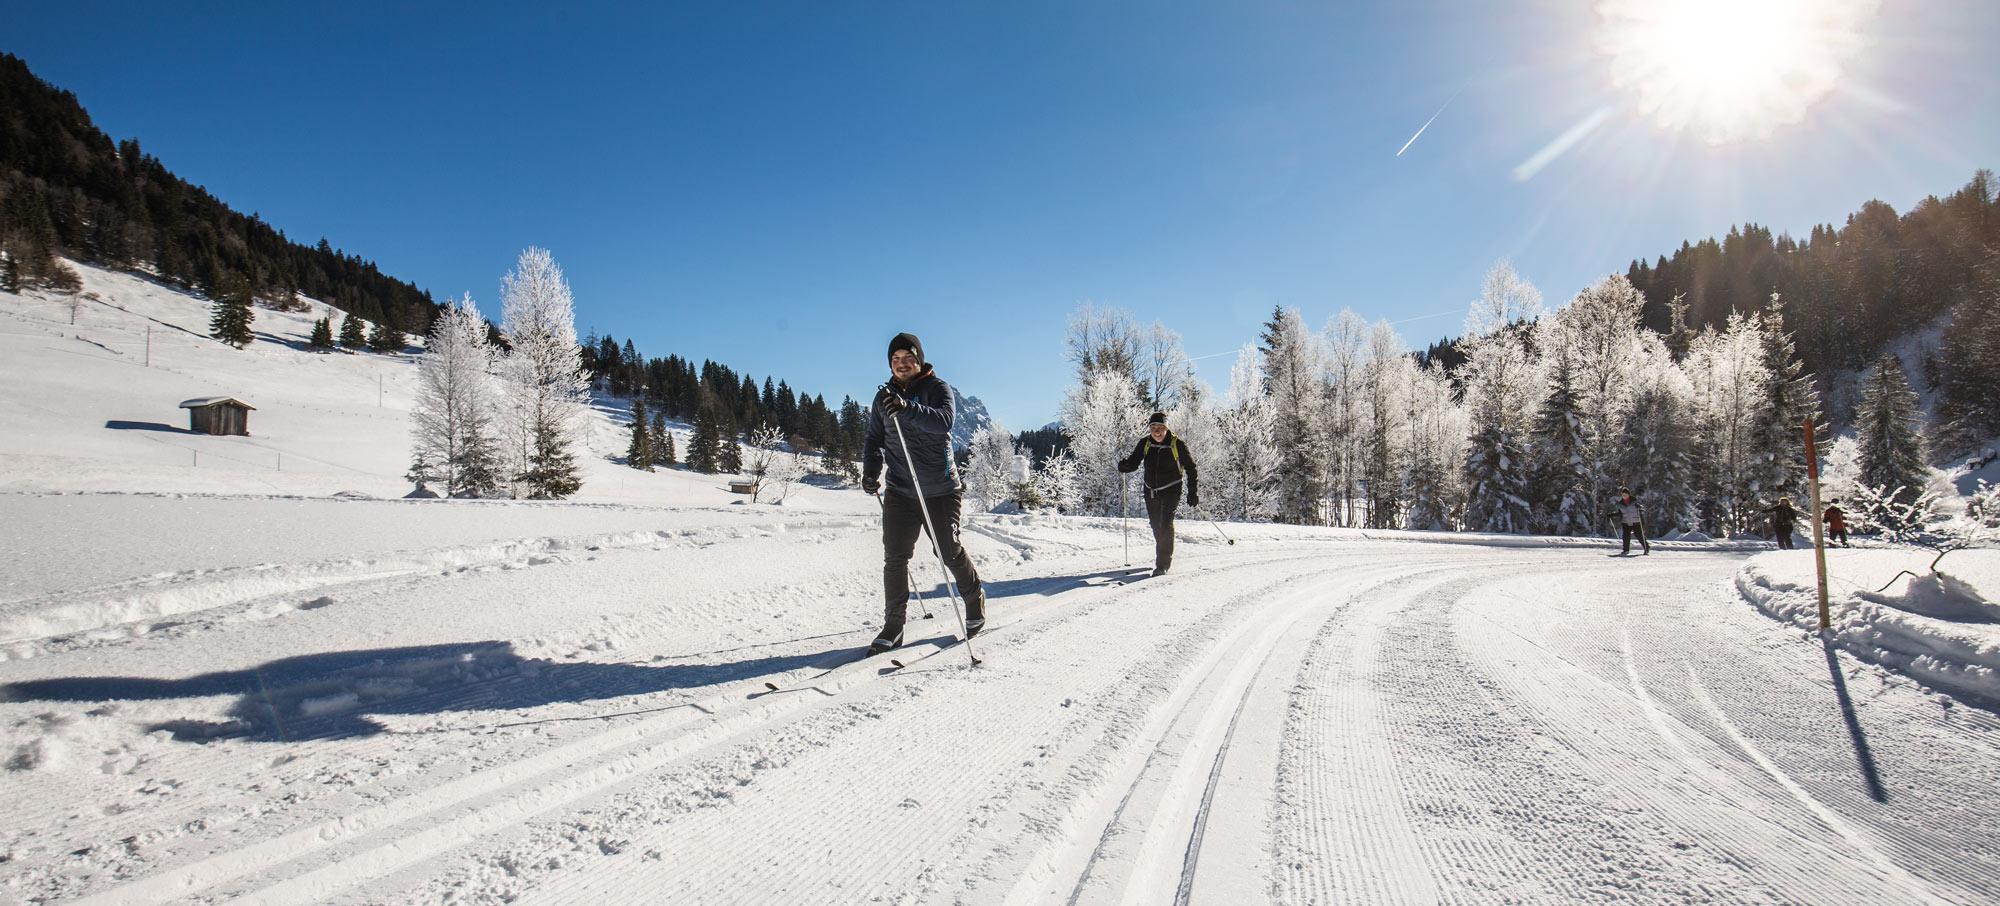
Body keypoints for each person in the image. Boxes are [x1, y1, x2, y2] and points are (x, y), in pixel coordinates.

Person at [861, 332, 985, 654]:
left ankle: (974, 597)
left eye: (908, 358)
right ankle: (894, 626)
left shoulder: (937, 389)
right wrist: (871, 471)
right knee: (895, 557)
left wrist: (907, 408)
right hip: (901, 491)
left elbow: (944, 422)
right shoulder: (882, 398)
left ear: (919, 359)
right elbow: (874, 439)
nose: (902, 365)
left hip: (941, 489)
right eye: (896, 360)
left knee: (948, 552)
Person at [1118, 412, 1199, 576]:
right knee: (1155, 525)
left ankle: (1162, 564)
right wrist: (1125, 466)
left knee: (1165, 524)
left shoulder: (1177, 444)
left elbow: (1191, 468)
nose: (1157, 431)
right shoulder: (1145, 443)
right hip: (1150, 490)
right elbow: (1134, 462)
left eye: (1160, 427)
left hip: (1172, 488)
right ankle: (1162, 553)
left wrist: (1192, 492)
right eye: (1153, 427)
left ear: (1166, 428)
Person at [1615, 487, 1650, 555]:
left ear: (1628, 494)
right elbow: (1620, 513)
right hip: (1626, 522)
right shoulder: (1620, 504)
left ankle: (1646, 548)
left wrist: (1639, 507)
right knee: (1625, 537)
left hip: (1636, 522)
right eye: (1623, 495)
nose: (1624, 496)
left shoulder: (1634, 501)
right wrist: (1612, 515)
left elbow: (1642, 508)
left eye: (1625, 494)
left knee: (1640, 536)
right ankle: (1626, 550)